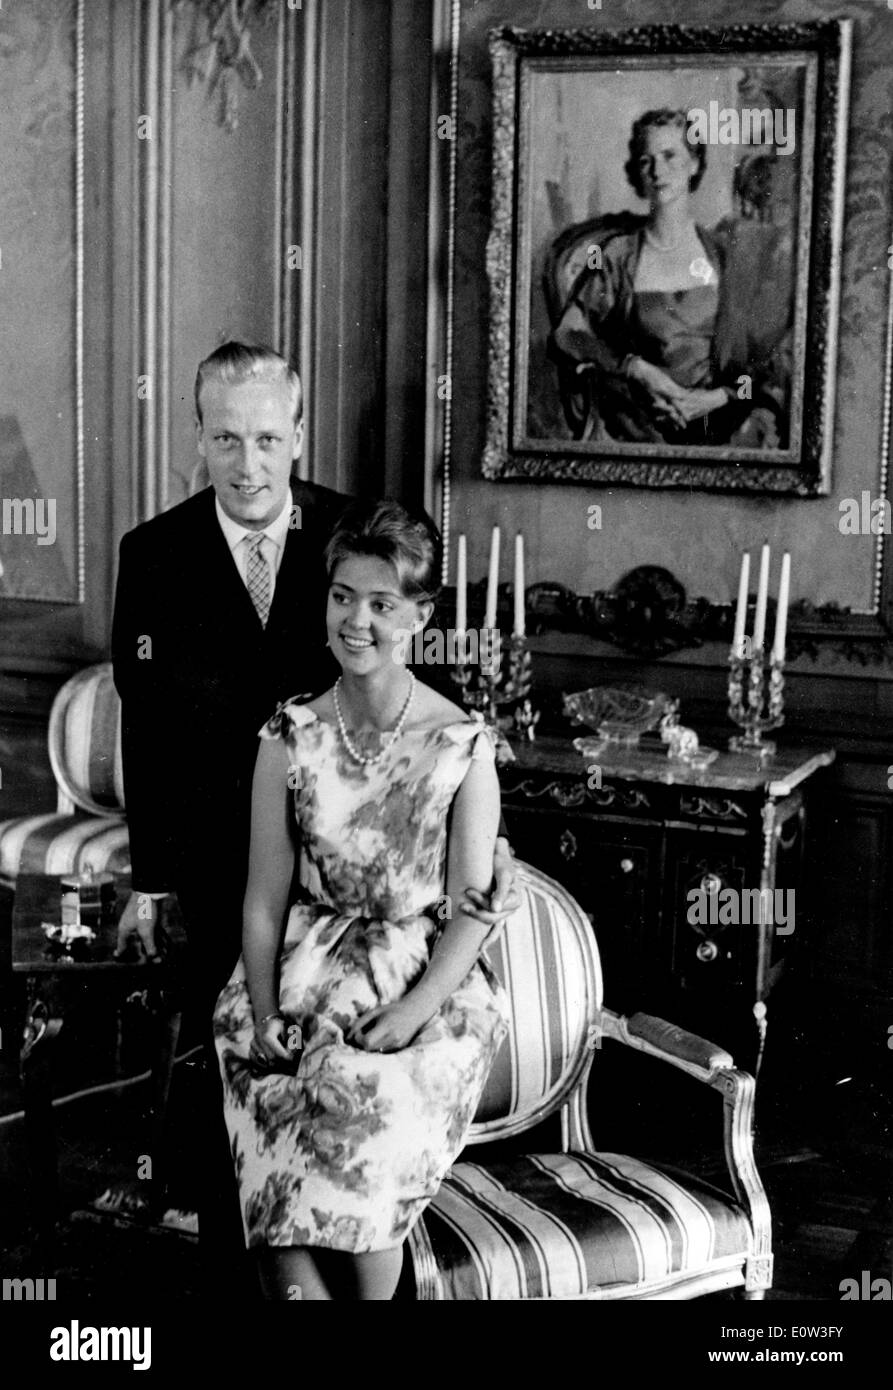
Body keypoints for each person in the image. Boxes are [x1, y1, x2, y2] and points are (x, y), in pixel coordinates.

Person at [110, 342, 517, 1288]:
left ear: (297, 435)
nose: (246, 464)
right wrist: (148, 878)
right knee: (238, 1095)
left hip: (365, 873)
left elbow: (421, 702)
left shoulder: (350, 536)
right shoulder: (154, 555)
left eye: (265, 439)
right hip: (235, 868)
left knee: (348, 1120)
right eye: (223, 440)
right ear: (198, 437)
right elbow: (147, 727)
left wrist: (478, 831)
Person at [213, 498, 510, 1300]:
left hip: (421, 986)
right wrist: (267, 1008)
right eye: (343, 596)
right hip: (300, 973)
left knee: (361, 1096)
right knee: (277, 1109)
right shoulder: (289, 735)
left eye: (381, 604)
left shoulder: (460, 745)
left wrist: (411, 1014)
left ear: (419, 616)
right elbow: (263, 903)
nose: (356, 620)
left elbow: (471, 913)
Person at [548, 107, 793, 448]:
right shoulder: (615, 255)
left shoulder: (726, 256)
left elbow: (762, 363)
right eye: (647, 160)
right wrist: (635, 368)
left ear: (694, 163)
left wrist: (715, 399)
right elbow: (566, 332)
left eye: (669, 156)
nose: (658, 171)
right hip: (642, 420)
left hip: (722, 418)